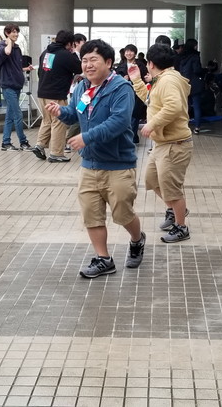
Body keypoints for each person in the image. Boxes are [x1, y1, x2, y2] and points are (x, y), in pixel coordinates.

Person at [44, 39, 146, 278]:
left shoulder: (121, 88)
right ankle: (104, 259)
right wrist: (61, 112)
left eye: (93, 60)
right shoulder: (82, 87)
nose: (88, 65)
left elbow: (119, 122)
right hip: (89, 164)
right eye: (84, 60)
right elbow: (75, 113)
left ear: (108, 62)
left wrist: (87, 137)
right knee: (92, 215)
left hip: (118, 164)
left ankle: (137, 239)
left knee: (122, 213)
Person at [128, 43, 194, 242]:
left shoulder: (168, 81)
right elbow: (150, 100)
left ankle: (181, 227)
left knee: (171, 189)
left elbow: (174, 106)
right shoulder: (163, 79)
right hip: (163, 144)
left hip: (175, 144)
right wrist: (136, 80)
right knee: (152, 180)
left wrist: (152, 124)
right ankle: (175, 209)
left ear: (150, 63)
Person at [33, 30, 81, 163]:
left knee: (47, 120)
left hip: (42, 92)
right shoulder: (65, 54)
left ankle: (40, 145)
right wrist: (74, 53)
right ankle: (56, 153)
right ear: (69, 43)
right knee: (59, 122)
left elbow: (40, 72)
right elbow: (78, 68)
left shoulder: (46, 52)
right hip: (56, 94)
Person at [0, 24, 33, 151]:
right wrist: (9, 42)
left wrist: (26, 69)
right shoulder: (1, 47)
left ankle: (6, 142)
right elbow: (7, 52)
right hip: (8, 86)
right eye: (13, 32)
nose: (16, 34)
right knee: (18, 114)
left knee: (10, 115)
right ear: (7, 33)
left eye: (17, 32)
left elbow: (16, 67)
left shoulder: (17, 49)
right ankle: (23, 142)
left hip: (17, 85)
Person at [114, 44, 148, 144]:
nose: (129, 53)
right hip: (124, 93)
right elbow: (115, 79)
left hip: (137, 93)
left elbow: (145, 78)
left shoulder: (141, 65)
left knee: (134, 116)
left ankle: (132, 138)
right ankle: (130, 138)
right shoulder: (121, 65)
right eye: (127, 51)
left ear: (135, 53)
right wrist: (122, 79)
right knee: (125, 115)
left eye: (131, 51)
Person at [177, 38, 204, 134]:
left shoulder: (182, 57)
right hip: (195, 84)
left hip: (184, 83)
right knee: (196, 106)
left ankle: (183, 126)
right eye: (196, 45)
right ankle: (197, 127)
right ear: (193, 46)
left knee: (185, 106)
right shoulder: (195, 57)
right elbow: (197, 70)